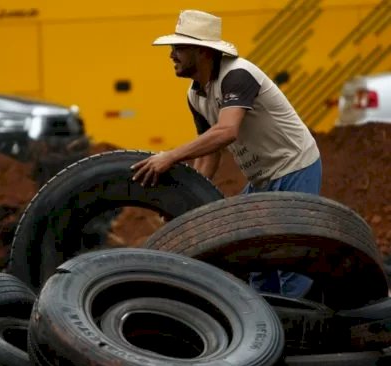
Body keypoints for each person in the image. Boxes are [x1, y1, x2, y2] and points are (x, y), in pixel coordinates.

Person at [130, 9, 322, 298]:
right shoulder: (195, 94)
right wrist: (187, 197)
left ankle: (304, 332)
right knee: (254, 253)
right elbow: (210, 151)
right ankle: (268, 322)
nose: (171, 55)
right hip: (262, 178)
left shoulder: (237, 75)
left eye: (179, 48)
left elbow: (226, 131)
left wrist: (169, 156)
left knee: (290, 258)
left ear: (203, 51)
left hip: (295, 166)